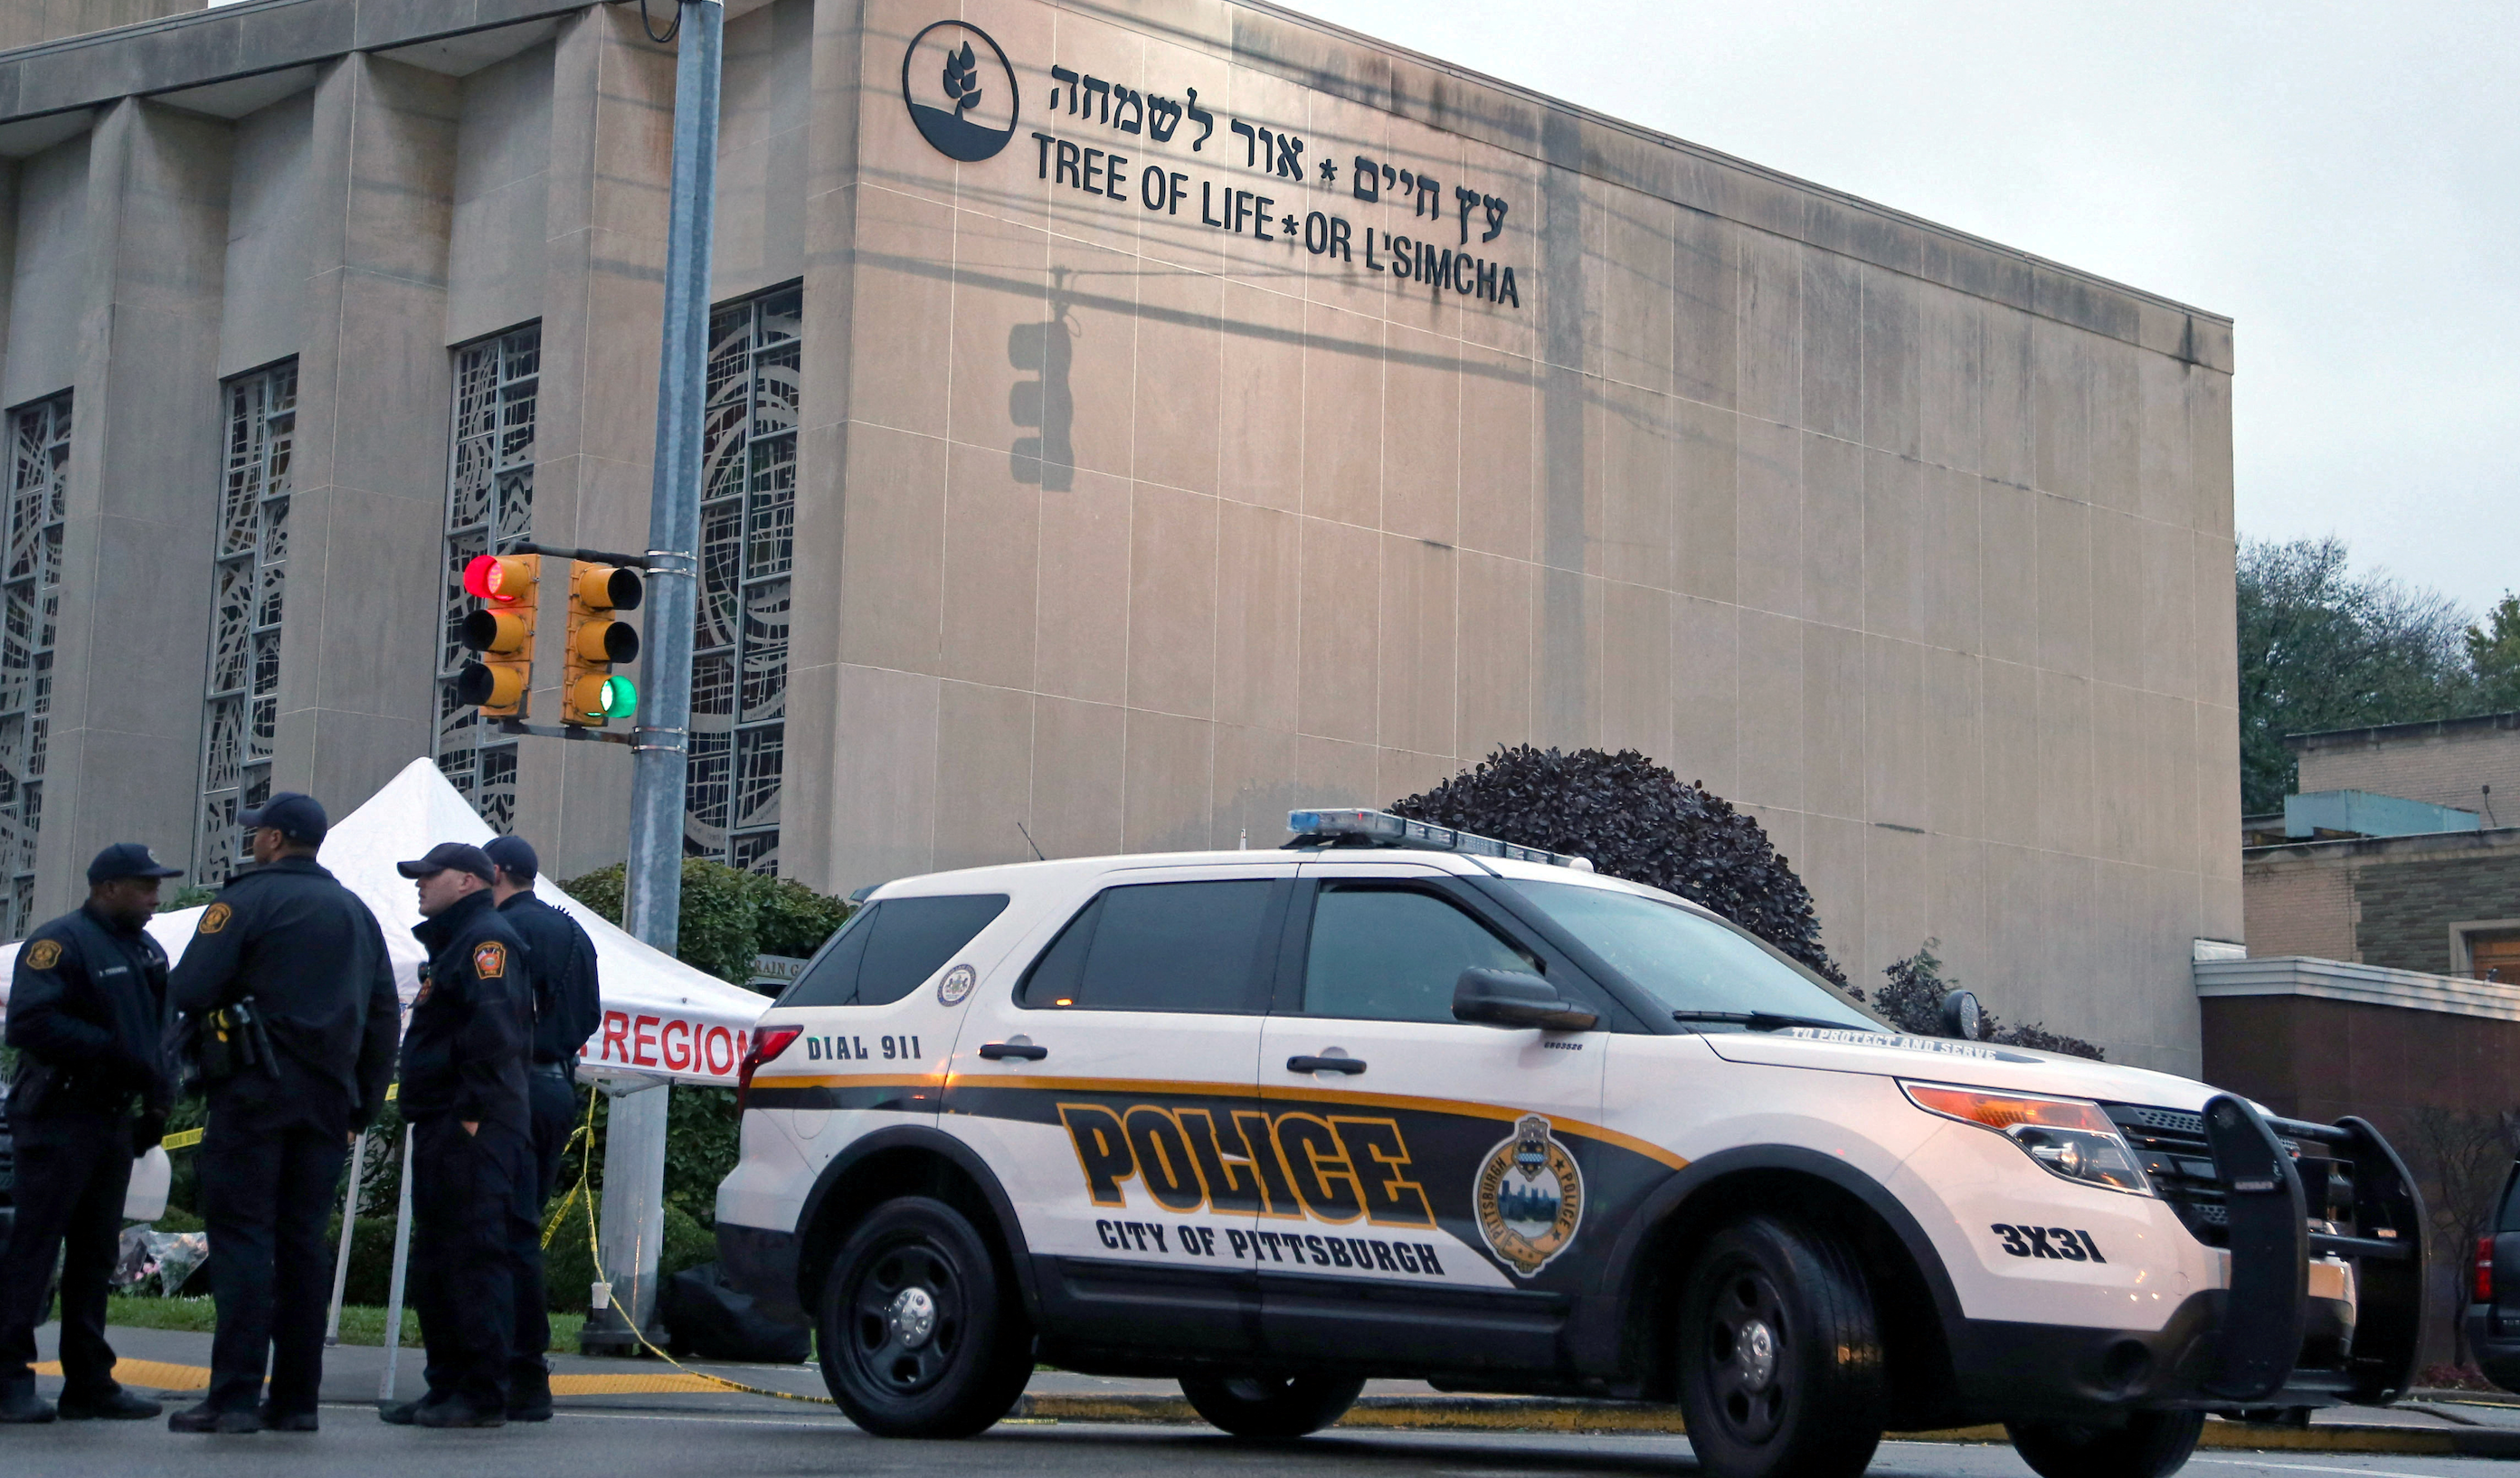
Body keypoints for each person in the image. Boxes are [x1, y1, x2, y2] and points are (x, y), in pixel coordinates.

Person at [166, 793, 399, 1435]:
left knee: (243, 1241)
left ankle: (233, 1396)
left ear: (272, 839)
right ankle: (296, 1400)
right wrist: (362, 1103)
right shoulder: (357, 913)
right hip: (327, 1102)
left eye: (256, 832)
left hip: (251, 1093)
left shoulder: (243, 901)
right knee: (302, 1247)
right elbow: (383, 1017)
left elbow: (188, 989)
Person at [0, 843, 182, 1425]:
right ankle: (8, 1378)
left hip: (110, 1119)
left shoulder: (147, 950)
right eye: (144, 887)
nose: (156, 898)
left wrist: (157, 1101)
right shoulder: (61, 944)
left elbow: (160, 1038)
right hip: (58, 1113)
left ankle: (89, 1380)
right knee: (33, 1250)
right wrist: (111, 1052)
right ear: (107, 887)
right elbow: (29, 1021)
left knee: (95, 1254)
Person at [384, 841, 533, 1429]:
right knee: (439, 1261)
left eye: (430, 874)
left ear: (470, 881)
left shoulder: (485, 943)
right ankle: (445, 1386)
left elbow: (494, 1033)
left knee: (473, 1258)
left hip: (472, 1127)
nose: (419, 884)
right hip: (445, 1122)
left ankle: (480, 1392)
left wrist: (470, 1115)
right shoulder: (456, 944)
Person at [483, 835, 600, 1422]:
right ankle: (524, 1370)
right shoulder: (575, 932)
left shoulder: (499, 933)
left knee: (498, 1233)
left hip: (511, 1086)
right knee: (522, 1227)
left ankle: (513, 1368)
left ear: (497, 872)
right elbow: (592, 1015)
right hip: (557, 1084)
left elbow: (492, 1013)